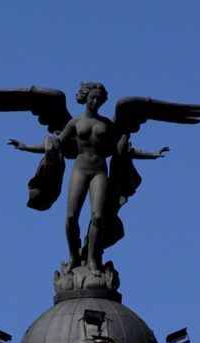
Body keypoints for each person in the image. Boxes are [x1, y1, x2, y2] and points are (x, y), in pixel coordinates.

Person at [10, 82, 167, 273]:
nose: (95, 101)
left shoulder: (107, 125)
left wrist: (152, 154)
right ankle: (73, 256)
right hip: (80, 170)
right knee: (70, 216)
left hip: (99, 172)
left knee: (98, 217)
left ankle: (92, 258)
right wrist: (26, 147)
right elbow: (56, 144)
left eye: (99, 99)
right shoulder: (75, 123)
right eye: (92, 97)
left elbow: (125, 150)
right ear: (84, 97)